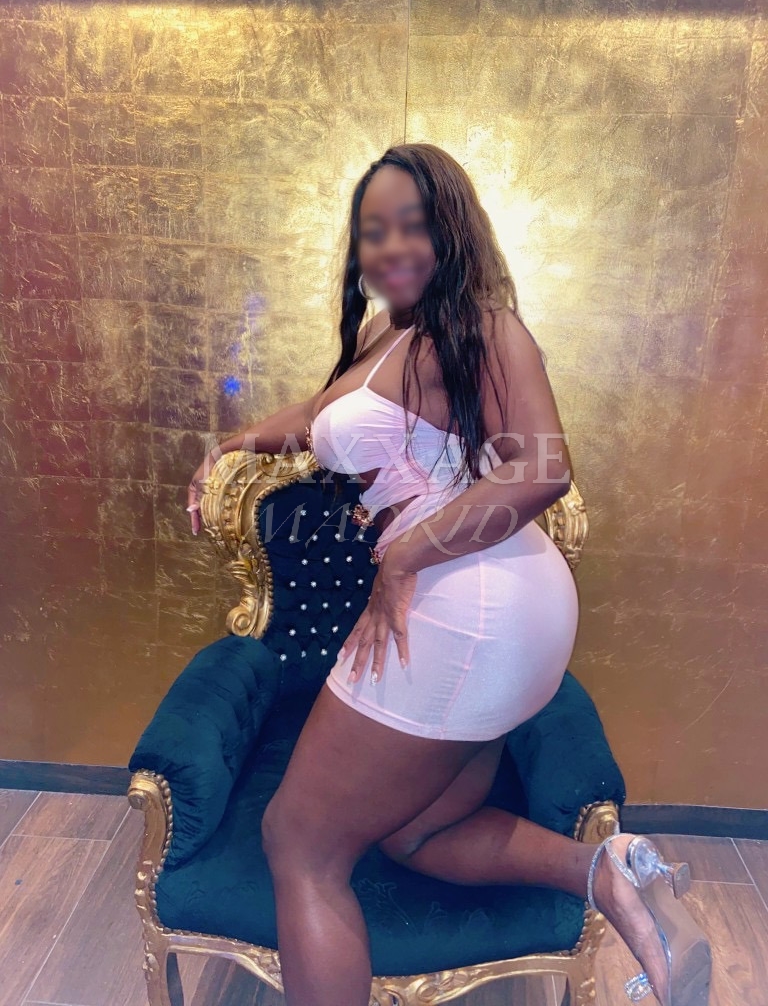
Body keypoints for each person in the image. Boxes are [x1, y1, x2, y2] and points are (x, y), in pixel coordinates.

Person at [187, 144, 711, 1006]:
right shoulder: (387, 334)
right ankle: (615, 877)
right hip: (492, 610)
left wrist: (404, 555)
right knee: (421, 830)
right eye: (373, 230)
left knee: (300, 843)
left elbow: (543, 469)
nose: (390, 246)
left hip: (464, 600)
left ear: (452, 230)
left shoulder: (481, 326)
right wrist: (237, 444)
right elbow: (318, 416)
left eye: (413, 224)